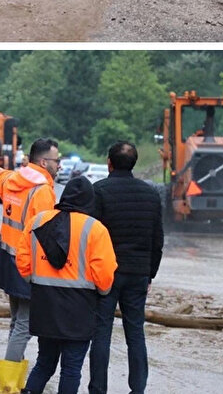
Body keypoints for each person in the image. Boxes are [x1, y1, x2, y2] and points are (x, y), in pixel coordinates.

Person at [17, 177, 118, 394]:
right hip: (79, 310)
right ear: (89, 200)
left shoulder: (37, 221)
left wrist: (35, 281)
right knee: (71, 369)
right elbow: (105, 273)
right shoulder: (96, 229)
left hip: (44, 305)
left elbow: (23, 261)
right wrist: (103, 291)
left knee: (44, 363)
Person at [0, 138, 62, 394]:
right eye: (56, 160)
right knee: (24, 326)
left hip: (6, 257)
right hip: (27, 265)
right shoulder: (43, 191)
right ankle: (8, 387)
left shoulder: (14, 179)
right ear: (43, 162)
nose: (59, 165)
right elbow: (46, 234)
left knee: (16, 322)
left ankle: (11, 382)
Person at [87, 141, 164, 394]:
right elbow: (157, 239)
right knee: (135, 332)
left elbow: (90, 235)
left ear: (109, 163)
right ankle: (138, 389)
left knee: (101, 331)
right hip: (138, 273)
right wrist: (150, 273)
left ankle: (98, 389)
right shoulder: (151, 194)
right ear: (134, 163)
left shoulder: (99, 191)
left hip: (106, 273)